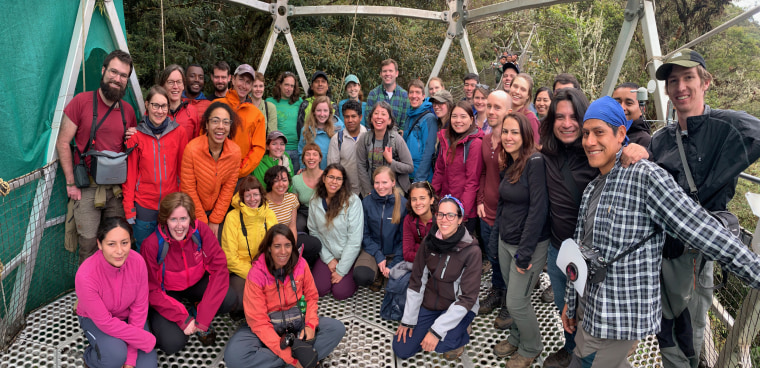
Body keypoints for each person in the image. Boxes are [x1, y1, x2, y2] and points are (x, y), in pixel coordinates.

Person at [561, 96, 760, 368]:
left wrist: (756, 272)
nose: (590, 141)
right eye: (586, 134)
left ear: (621, 134)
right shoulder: (592, 188)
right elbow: (579, 253)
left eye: (599, 132)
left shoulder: (645, 177)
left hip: (616, 319)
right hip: (590, 308)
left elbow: (701, 229)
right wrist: (570, 305)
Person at [648, 49, 760, 368]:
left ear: (705, 82)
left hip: (696, 254)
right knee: (666, 324)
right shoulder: (661, 140)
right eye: (673, 81)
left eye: (688, 78)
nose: (681, 87)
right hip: (663, 249)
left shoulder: (729, 126)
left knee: (689, 329)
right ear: (667, 90)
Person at [56, 49, 138, 264]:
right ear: (103, 71)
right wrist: (70, 183)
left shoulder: (128, 111)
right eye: (113, 72)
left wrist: (135, 137)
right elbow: (63, 142)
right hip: (87, 188)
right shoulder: (81, 102)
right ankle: (87, 293)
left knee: (117, 240)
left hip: (117, 189)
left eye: (123, 75)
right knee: (88, 243)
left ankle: (112, 289)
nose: (117, 79)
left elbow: (133, 150)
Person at [223, 225, 346, 368]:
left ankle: (295, 357)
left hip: (297, 322)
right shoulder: (256, 274)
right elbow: (258, 322)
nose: (283, 251)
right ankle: (304, 360)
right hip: (268, 326)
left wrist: (310, 325)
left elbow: (311, 297)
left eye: (287, 245)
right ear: (269, 247)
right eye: (277, 246)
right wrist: (291, 358)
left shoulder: (302, 265)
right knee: (234, 356)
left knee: (336, 329)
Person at [141, 192, 238, 354]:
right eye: (173, 219)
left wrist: (205, 316)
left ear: (191, 218)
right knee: (172, 343)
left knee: (229, 299)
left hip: (196, 282)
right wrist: (182, 319)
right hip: (168, 291)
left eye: (183, 219)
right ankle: (180, 315)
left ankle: (197, 308)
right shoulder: (151, 245)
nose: (179, 226)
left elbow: (219, 268)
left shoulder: (200, 231)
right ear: (165, 219)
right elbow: (151, 290)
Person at [537, 88, 592, 368]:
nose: (567, 123)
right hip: (558, 250)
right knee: (564, 308)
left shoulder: (595, 156)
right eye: (560, 117)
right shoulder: (547, 154)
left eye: (574, 116)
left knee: (589, 317)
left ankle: (586, 359)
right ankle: (571, 349)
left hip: (590, 256)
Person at [491, 113, 550, 368]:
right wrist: (496, 238)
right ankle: (516, 337)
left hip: (528, 246)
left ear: (526, 135)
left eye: (514, 132)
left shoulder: (535, 162)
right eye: (505, 131)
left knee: (516, 301)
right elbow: (503, 203)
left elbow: (538, 210)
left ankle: (531, 346)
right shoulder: (511, 162)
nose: (508, 137)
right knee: (512, 299)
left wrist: (524, 253)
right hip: (507, 240)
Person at [393, 195, 481, 361]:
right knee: (402, 348)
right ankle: (434, 328)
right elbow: (417, 281)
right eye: (440, 214)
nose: (444, 220)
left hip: (459, 306)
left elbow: (467, 298)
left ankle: (463, 329)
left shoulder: (471, 251)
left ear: (460, 219)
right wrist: (408, 320)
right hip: (432, 303)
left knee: (441, 344)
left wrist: (435, 331)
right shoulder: (429, 242)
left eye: (450, 215)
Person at [75, 217, 157, 368]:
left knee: (147, 366)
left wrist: (131, 360)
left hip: (128, 317)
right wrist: (142, 338)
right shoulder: (86, 275)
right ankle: (91, 358)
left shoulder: (138, 262)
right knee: (115, 357)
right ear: (100, 244)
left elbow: (139, 309)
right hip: (97, 321)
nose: (119, 251)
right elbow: (105, 322)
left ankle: (119, 349)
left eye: (124, 243)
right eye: (111, 244)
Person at [123, 86, 189, 250]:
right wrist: (129, 208)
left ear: (168, 107)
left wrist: (183, 201)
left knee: (169, 250)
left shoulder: (179, 132)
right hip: (144, 206)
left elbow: (184, 170)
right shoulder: (136, 136)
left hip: (171, 204)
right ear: (147, 105)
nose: (160, 111)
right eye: (155, 105)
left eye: (164, 106)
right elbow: (130, 176)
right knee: (144, 250)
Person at [476, 90, 512, 322]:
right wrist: (480, 199)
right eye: (489, 106)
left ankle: (511, 300)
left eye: (497, 107)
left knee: (508, 258)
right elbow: (483, 173)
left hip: (507, 214)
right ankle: (497, 291)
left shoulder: (515, 143)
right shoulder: (486, 140)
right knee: (493, 255)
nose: (491, 111)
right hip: (486, 210)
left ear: (509, 112)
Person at [181, 102, 241, 238]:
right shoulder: (192, 149)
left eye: (226, 122)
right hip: (192, 212)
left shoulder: (235, 152)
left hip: (217, 212)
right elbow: (188, 188)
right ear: (207, 125)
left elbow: (228, 188)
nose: (221, 126)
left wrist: (215, 220)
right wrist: (202, 221)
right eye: (215, 121)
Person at [308, 164, 364, 300]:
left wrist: (341, 270)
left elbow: (355, 240)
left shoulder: (353, 201)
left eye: (339, 179)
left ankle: (350, 275)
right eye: (331, 177)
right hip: (328, 252)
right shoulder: (315, 200)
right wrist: (328, 259)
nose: (334, 182)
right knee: (319, 289)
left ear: (343, 182)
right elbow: (313, 232)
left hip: (348, 255)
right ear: (324, 178)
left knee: (340, 293)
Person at [221, 176, 278, 308]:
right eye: (248, 196)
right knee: (243, 298)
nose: (252, 199)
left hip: (266, 266)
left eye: (255, 195)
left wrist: (268, 270)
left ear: (261, 195)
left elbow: (276, 246)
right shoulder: (232, 217)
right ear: (242, 197)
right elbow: (230, 258)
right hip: (240, 270)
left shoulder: (269, 215)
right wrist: (255, 274)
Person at [432, 100, 483, 233]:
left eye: (463, 116)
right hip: (445, 205)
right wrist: (433, 198)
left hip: (463, 212)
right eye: (454, 116)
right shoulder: (447, 139)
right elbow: (439, 171)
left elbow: (472, 182)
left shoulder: (475, 144)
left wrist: (461, 213)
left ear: (472, 119)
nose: (458, 120)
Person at [356, 166, 407, 288]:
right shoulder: (366, 202)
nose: (380, 186)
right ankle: (377, 271)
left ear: (393, 182)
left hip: (395, 253)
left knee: (397, 285)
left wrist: (394, 263)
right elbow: (364, 233)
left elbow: (404, 238)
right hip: (373, 250)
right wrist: (378, 255)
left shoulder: (403, 204)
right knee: (361, 276)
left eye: (385, 182)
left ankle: (385, 271)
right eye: (377, 182)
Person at [216, 63, 266, 178]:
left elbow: (258, 148)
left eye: (248, 82)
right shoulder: (217, 105)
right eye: (241, 79)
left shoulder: (257, 115)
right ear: (233, 80)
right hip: (215, 172)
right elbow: (204, 138)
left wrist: (240, 171)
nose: (244, 85)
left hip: (240, 175)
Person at [355, 101, 415, 196]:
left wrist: (391, 161)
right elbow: (360, 166)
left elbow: (410, 167)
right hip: (372, 187)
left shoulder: (396, 139)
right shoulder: (364, 138)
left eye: (383, 114)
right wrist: (368, 190)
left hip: (394, 189)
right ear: (371, 118)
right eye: (376, 113)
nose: (379, 117)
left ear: (389, 120)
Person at [327, 100, 367, 195]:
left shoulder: (368, 136)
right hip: (346, 192)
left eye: (353, 116)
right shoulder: (337, 140)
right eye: (346, 117)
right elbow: (333, 169)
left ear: (360, 117)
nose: (350, 120)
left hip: (367, 191)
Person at [403, 79, 438, 183]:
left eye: (417, 92)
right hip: (408, 173)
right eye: (411, 92)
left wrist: (419, 179)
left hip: (421, 176)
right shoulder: (409, 116)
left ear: (423, 96)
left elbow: (428, 151)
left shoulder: (429, 118)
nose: (414, 96)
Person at [267, 71, 303, 172]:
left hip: (297, 149)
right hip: (278, 150)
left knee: (294, 181)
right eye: (286, 85)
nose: (289, 89)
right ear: (280, 85)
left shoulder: (299, 102)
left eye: (292, 86)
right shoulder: (270, 102)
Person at [298, 95, 343, 169]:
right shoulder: (306, 130)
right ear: (314, 112)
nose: (322, 114)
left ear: (330, 112)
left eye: (325, 110)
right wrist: (303, 168)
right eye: (318, 110)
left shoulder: (339, 128)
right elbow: (301, 153)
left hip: (333, 173)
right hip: (313, 173)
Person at [366, 59, 409, 131]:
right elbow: (368, 121)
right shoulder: (373, 94)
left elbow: (404, 124)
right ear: (380, 74)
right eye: (384, 71)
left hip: (396, 139)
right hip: (376, 137)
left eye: (390, 71)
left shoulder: (404, 96)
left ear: (396, 73)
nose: (387, 74)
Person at [159, 64, 200, 139]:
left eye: (179, 82)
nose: (175, 87)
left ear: (183, 85)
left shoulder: (192, 112)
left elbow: (196, 143)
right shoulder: (154, 112)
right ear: (162, 86)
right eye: (170, 82)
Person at [292, 143, 324, 232]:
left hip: (323, 211)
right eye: (307, 154)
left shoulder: (327, 177)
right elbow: (294, 206)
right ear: (303, 159)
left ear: (320, 158)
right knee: (298, 226)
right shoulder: (296, 180)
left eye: (315, 154)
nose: (311, 158)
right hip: (304, 211)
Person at [296, 71, 333, 145]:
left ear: (327, 86)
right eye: (316, 81)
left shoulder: (333, 106)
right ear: (312, 86)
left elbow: (336, 128)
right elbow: (300, 128)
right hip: (309, 146)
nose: (320, 84)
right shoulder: (305, 104)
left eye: (323, 81)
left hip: (329, 146)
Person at [611, 82, 652, 147]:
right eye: (617, 103)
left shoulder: (644, 141)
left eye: (629, 103)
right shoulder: (606, 133)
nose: (622, 108)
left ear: (642, 109)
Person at [509, 73, 541, 145]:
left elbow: (534, 149)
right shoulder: (502, 112)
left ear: (528, 96)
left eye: (523, 89)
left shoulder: (530, 119)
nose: (517, 92)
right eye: (515, 86)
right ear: (510, 87)